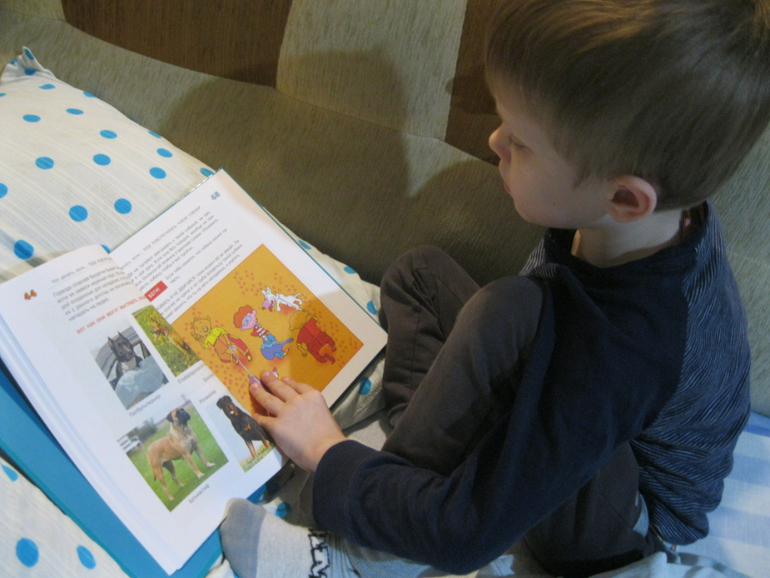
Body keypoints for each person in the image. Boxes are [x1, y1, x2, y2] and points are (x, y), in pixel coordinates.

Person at [220, 1, 770, 576]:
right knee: (419, 276)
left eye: (522, 143)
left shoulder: (626, 350)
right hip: (583, 396)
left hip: (624, 514)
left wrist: (327, 454)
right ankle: (409, 486)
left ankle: (366, 558)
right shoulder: (642, 217)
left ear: (625, 198)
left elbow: (469, 537)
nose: (494, 140)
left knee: (507, 307)